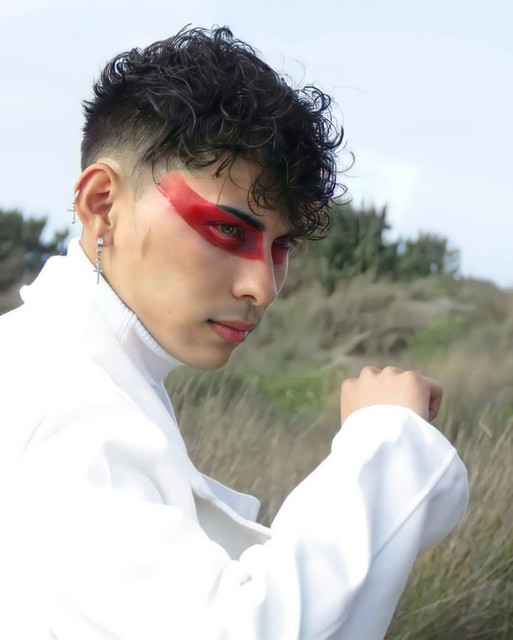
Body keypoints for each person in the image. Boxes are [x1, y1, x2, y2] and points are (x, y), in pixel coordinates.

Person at [0, 27, 468, 639]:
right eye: (227, 230)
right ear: (102, 204)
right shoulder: (60, 403)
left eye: (281, 246)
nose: (263, 287)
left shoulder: (66, 364)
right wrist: (385, 444)